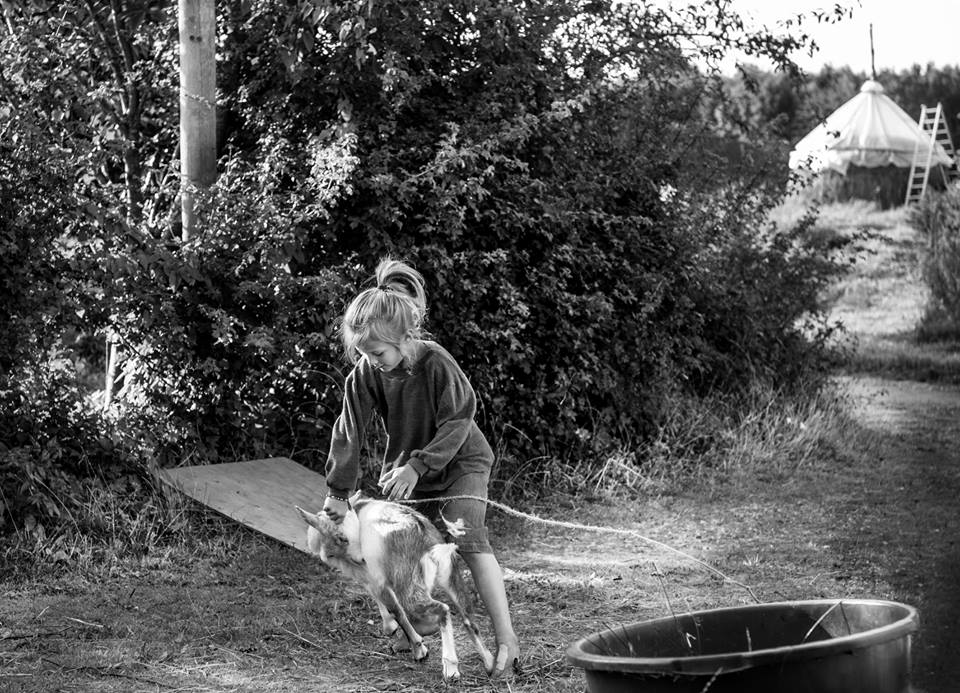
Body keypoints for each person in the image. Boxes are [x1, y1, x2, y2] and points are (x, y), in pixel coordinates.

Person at [321, 257, 520, 678]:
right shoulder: (365, 374)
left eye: (376, 352)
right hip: (412, 470)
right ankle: (423, 619)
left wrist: (418, 465)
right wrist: (338, 494)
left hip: (460, 461)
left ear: (404, 336)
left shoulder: (435, 362)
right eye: (363, 353)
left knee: (467, 537)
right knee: (400, 543)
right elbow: (349, 429)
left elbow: (460, 418)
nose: (370, 360)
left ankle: (507, 641)